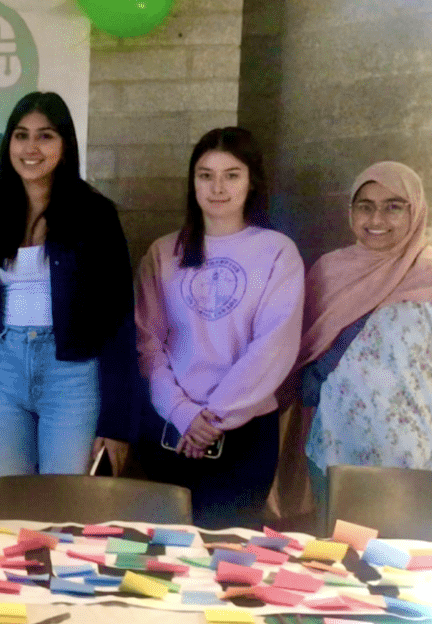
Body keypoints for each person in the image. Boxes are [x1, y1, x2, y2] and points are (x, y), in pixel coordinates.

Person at [0, 91, 139, 517]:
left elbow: (120, 321)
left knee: (66, 515)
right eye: (21, 135)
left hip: (72, 379)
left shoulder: (96, 215)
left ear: (64, 145)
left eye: (45, 136)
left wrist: (117, 424)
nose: (31, 148)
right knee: (3, 511)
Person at [135, 127, 304, 530]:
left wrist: (211, 419)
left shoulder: (277, 251)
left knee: (228, 564)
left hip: (245, 435)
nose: (218, 187)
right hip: (170, 429)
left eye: (232, 174)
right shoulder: (164, 252)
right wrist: (182, 413)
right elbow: (147, 341)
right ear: (192, 183)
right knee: (163, 560)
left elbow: (272, 347)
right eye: (205, 175)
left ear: (252, 181)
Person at [294, 161, 432, 517]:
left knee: (404, 565)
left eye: (393, 206)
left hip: (417, 452)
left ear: (415, 209)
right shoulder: (330, 271)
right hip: (336, 444)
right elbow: (303, 353)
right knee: (338, 561)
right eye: (365, 205)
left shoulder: (428, 269)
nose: (377, 218)